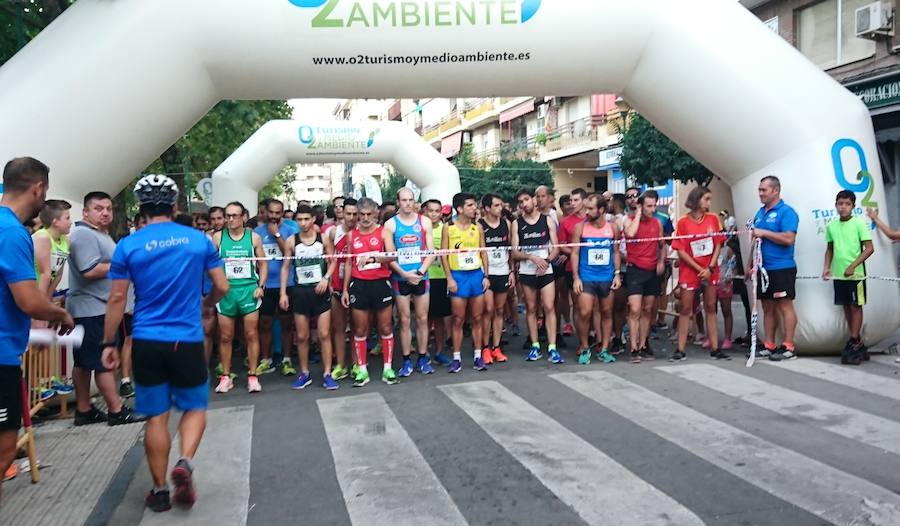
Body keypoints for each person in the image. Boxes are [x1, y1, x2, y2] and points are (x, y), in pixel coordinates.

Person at [101, 174, 228, 513]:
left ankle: (159, 492)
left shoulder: (129, 245)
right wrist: (206, 304)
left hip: (146, 340)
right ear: (175, 207)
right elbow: (222, 287)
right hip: (186, 339)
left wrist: (108, 343)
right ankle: (184, 462)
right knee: (195, 407)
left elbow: (116, 299)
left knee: (155, 416)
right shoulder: (199, 240)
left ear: (141, 208)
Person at [0, 157, 75, 499]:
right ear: (39, 189)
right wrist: (59, 316)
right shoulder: (14, 233)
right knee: (5, 445)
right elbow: (29, 301)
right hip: (1, 352)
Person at [67, 191, 139, 425]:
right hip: (92, 308)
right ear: (85, 212)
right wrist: (124, 264)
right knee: (103, 361)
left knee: (84, 362)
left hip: (94, 308)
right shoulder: (83, 234)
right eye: (99, 208)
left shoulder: (98, 234)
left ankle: (84, 409)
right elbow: (90, 270)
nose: (105, 212)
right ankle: (116, 411)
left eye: (108, 208)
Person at [341, 197, 398, 387]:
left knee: (385, 327)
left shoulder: (384, 233)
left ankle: (388, 368)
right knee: (360, 329)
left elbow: (392, 255)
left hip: (380, 284)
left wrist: (374, 257)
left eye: (369, 214)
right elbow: (349, 262)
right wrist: (344, 290)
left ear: (375, 214)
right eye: (361, 215)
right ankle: (362, 370)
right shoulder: (351, 235)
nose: (365, 218)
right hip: (359, 285)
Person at [212, 202, 267, 393]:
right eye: (228, 216)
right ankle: (225, 376)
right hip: (227, 292)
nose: (230, 220)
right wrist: (218, 285)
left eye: (235, 216)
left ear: (244, 216)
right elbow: (210, 265)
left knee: (251, 334)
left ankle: (253, 376)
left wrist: (261, 286)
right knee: (226, 336)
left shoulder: (254, 238)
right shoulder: (217, 238)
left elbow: (263, 264)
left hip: (248, 290)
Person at [281, 204, 337, 389]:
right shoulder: (291, 241)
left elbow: (333, 261)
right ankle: (304, 373)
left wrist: (326, 279)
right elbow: (286, 267)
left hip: (320, 291)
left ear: (313, 219)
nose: (303, 223)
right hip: (300, 292)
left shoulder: (323, 239)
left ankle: (327, 373)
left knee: (324, 334)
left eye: (307, 219)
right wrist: (283, 293)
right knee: (303, 336)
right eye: (300, 219)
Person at [670, 187, 729, 361]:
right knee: (686, 309)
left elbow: (718, 243)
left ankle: (715, 348)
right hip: (690, 270)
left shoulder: (713, 218)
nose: (709, 203)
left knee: (711, 307)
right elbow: (680, 250)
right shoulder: (682, 222)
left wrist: (710, 268)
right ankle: (680, 349)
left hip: (710, 270)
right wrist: (698, 268)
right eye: (706, 199)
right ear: (696, 200)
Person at [383, 188, 435, 376]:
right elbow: (390, 256)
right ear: (398, 202)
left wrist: (420, 272)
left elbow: (431, 251)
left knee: (422, 319)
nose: (407, 203)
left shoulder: (425, 222)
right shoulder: (390, 225)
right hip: (400, 277)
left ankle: (422, 357)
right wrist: (405, 275)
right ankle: (406, 361)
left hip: (421, 275)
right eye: (403, 200)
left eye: (410, 200)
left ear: (415, 202)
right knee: (404, 320)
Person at [512, 188, 563, 364]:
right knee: (531, 309)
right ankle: (535, 345)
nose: (524, 204)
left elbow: (556, 247)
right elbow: (514, 252)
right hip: (527, 271)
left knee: (549, 307)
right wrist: (530, 257)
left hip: (546, 270)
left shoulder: (547, 220)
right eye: (520, 202)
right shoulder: (517, 224)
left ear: (534, 200)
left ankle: (552, 347)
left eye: (526, 199)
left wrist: (547, 261)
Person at [751, 176, 800, 361]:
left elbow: (789, 238)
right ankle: (769, 344)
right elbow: (756, 240)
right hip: (762, 268)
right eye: (759, 190)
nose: (760, 194)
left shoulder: (787, 212)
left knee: (784, 305)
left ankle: (788, 346)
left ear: (776, 190)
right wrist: (751, 264)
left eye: (764, 190)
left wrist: (765, 232)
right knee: (767, 307)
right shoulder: (760, 212)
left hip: (781, 267)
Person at [824, 191, 875, 365]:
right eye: (840, 203)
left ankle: (853, 340)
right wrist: (826, 268)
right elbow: (830, 248)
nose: (843, 207)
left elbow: (869, 248)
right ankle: (857, 341)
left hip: (856, 275)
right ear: (836, 205)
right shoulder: (831, 226)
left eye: (847, 204)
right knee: (846, 306)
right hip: (839, 275)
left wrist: (853, 266)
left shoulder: (859, 224)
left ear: (853, 206)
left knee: (856, 306)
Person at [442, 192, 490, 372]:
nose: (474, 208)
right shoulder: (449, 227)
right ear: (460, 209)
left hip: (476, 275)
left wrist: (486, 276)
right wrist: (449, 278)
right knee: (458, 319)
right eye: (470, 205)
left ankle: (478, 356)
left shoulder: (477, 227)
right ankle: (456, 358)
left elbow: (483, 252)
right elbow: (444, 255)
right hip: (458, 276)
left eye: (474, 205)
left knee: (477, 317)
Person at [571, 194, 620, 365]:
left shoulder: (612, 228)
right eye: (586, 208)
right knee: (584, 312)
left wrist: (617, 274)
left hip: (606, 277)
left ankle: (604, 349)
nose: (587, 211)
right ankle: (585, 347)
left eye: (591, 208)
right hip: (587, 277)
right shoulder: (580, 228)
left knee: (607, 312)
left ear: (601, 210)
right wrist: (576, 277)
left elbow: (615, 252)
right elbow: (575, 253)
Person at [255, 199, 299, 375]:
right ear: (265, 212)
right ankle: (266, 359)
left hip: (286, 283)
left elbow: (292, 254)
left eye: (277, 213)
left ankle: (287, 359)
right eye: (271, 212)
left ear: (282, 213)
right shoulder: (257, 233)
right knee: (264, 322)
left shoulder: (290, 231)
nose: (273, 216)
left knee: (287, 322)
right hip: (265, 284)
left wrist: (277, 235)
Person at [623, 191, 665, 363]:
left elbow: (662, 245)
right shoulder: (629, 220)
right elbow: (631, 234)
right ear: (640, 205)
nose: (652, 209)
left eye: (654, 205)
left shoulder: (657, 223)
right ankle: (633, 347)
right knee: (635, 309)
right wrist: (638, 214)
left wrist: (661, 261)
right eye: (649, 206)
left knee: (648, 310)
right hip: (635, 270)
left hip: (651, 270)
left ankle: (643, 344)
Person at [326, 198, 357, 381]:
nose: (352, 217)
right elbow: (329, 260)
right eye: (348, 214)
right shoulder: (333, 233)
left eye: (355, 214)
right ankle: (340, 365)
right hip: (337, 285)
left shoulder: (361, 232)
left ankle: (356, 364)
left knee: (357, 328)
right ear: (341, 213)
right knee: (338, 327)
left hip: (358, 285)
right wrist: (329, 283)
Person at [479, 193, 512, 364]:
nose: (501, 208)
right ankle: (485, 347)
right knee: (488, 309)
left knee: (500, 310)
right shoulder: (479, 225)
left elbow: (511, 249)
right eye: (496, 205)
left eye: (501, 205)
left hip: (503, 271)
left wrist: (512, 271)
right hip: (487, 273)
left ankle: (496, 347)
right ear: (486, 208)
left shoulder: (506, 223)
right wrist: (484, 273)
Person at [424, 199, 453, 365]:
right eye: (431, 211)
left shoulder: (445, 229)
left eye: (437, 211)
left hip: (442, 277)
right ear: (425, 212)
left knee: (440, 318)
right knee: (425, 319)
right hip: (425, 278)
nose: (434, 214)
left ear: (441, 213)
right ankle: (425, 351)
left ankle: (440, 351)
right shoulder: (420, 229)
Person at [557, 188, 589, 339]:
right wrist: (576, 253)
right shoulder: (566, 222)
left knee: (593, 307)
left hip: (594, 269)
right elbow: (561, 245)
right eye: (570, 201)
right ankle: (582, 341)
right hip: (573, 268)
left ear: (584, 201)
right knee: (578, 305)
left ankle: (594, 335)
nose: (572, 204)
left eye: (576, 200)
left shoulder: (592, 218)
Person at [33, 199, 72, 299]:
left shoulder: (66, 241)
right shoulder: (42, 237)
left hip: (45, 291)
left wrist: (48, 297)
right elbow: (44, 274)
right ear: (55, 222)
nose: (71, 222)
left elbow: (58, 274)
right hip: (30, 291)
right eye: (67, 218)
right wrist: (41, 303)